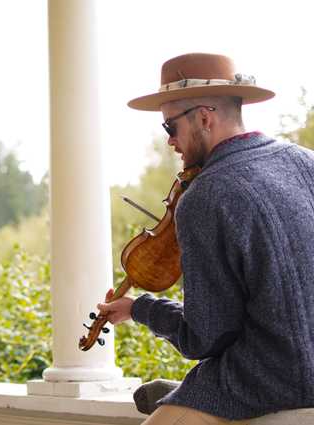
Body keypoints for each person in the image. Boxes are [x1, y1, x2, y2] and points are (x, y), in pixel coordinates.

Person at [99, 53, 314, 424]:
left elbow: (205, 337)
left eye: (169, 128)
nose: (169, 142)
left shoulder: (205, 196)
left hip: (271, 382)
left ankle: (175, 395)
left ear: (203, 117)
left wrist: (143, 309)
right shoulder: (306, 162)